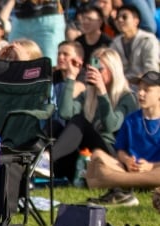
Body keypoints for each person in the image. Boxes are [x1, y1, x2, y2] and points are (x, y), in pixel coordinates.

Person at [51, 47, 138, 200]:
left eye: (100, 69)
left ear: (113, 70)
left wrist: (102, 92)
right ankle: (37, 166)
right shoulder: (88, 95)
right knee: (56, 125)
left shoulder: (127, 98)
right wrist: (71, 77)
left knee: (80, 122)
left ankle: (48, 161)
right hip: (87, 154)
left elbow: (111, 125)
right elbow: (64, 113)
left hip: (113, 157)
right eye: (93, 69)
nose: (95, 72)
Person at [87, 71, 160, 199]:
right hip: (129, 170)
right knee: (97, 156)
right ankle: (139, 182)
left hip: (154, 170)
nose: (140, 93)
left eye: (146, 90)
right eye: (139, 89)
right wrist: (127, 160)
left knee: (96, 179)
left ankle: (121, 182)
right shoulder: (132, 119)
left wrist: (150, 166)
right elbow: (120, 150)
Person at [109, 4, 160, 84]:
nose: (120, 20)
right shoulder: (115, 43)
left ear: (136, 21)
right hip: (120, 87)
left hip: (144, 86)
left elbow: (152, 70)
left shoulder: (148, 40)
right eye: (117, 18)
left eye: (124, 17)